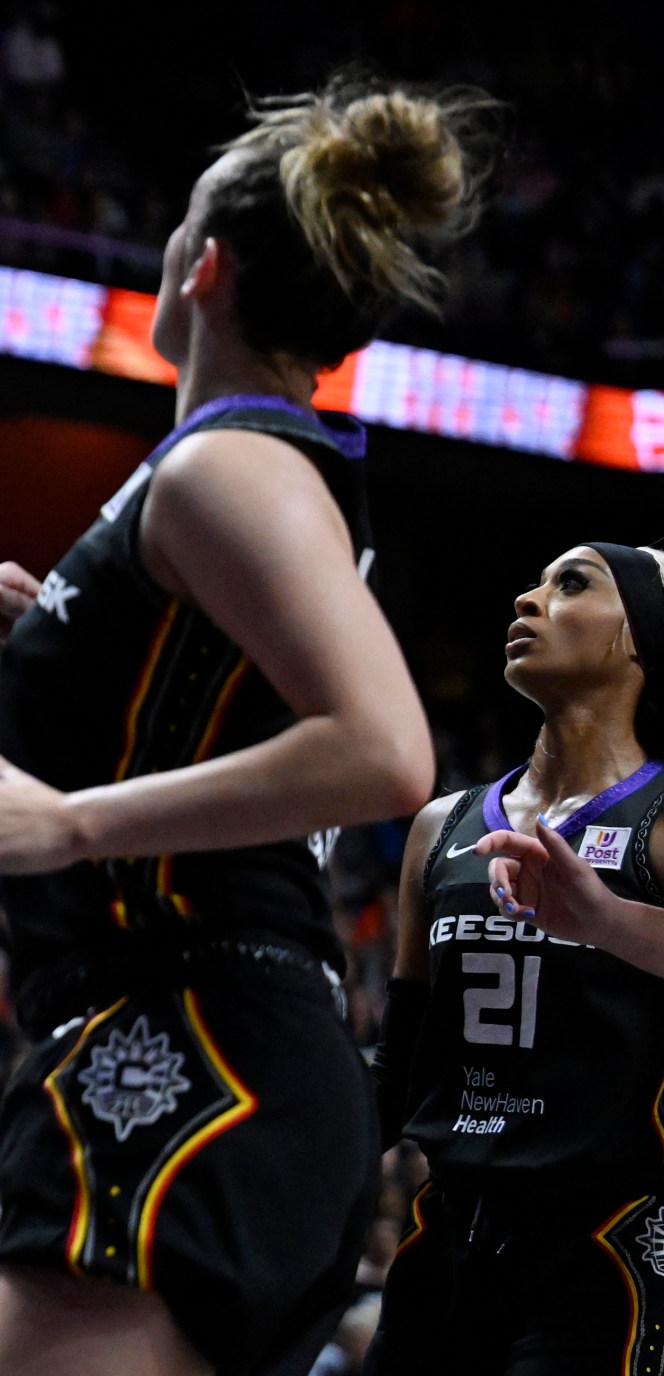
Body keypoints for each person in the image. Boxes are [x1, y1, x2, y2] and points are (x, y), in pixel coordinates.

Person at [0, 76, 494, 1376]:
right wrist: (69, 628)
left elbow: (384, 750)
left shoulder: (222, 467)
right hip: (225, 1044)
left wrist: (65, 819)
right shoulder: (238, 471)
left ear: (206, 268)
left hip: (192, 1037)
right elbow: (234, 686)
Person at [366, 542, 664, 1374]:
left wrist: (608, 921)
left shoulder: (659, 816)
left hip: (604, 1244)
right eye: (533, 581)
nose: (528, 600)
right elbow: (400, 1064)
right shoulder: (443, 826)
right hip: (446, 1235)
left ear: (637, 639)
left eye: (571, 585)